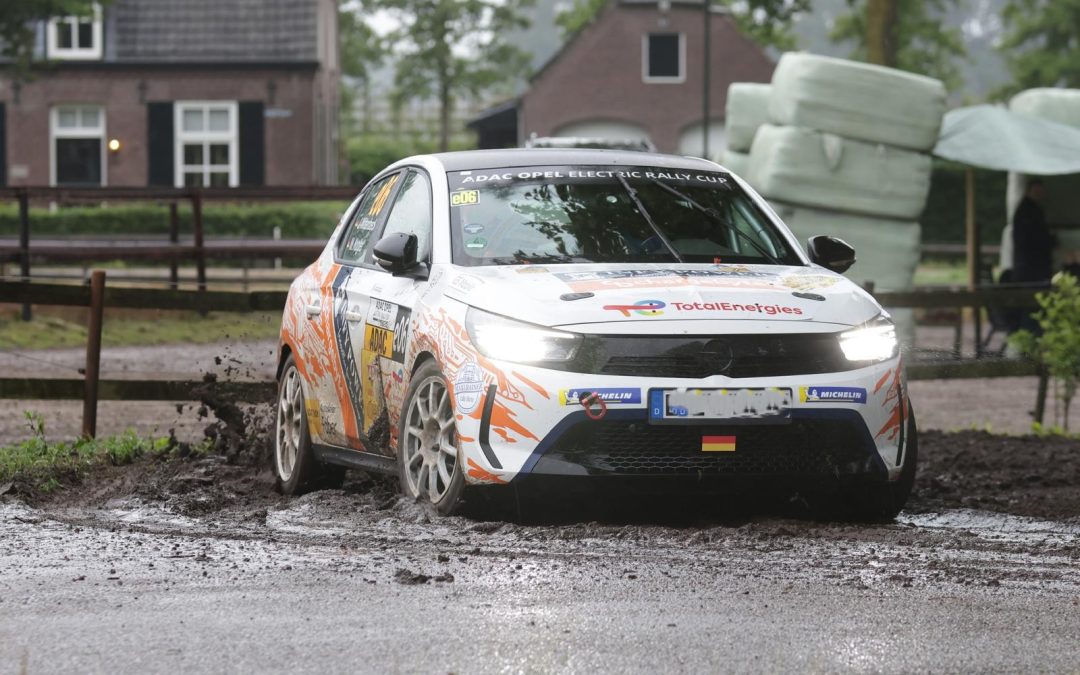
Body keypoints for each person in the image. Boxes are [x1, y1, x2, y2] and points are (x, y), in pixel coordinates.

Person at [1011, 178, 1055, 285]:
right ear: (1029, 191)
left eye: (1040, 191)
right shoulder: (1025, 211)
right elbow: (1030, 236)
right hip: (1029, 260)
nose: (1039, 194)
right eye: (1036, 191)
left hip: (1036, 259)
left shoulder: (1035, 209)